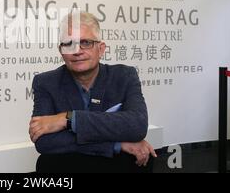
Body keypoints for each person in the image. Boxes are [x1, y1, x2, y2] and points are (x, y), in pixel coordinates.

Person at [29, 11, 157, 172]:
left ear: (101, 48)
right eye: (69, 44)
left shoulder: (124, 76)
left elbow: (136, 125)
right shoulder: (46, 82)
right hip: (71, 168)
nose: (77, 51)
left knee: (142, 158)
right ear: (61, 51)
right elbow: (44, 142)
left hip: (116, 168)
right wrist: (116, 144)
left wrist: (68, 119)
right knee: (47, 162)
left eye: (86, 42)